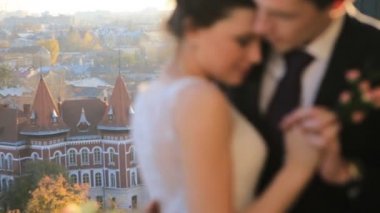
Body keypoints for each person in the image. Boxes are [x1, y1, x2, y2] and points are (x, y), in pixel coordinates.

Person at [132, 0, 339, 212]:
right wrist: (298, 168)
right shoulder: (201, 99)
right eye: (242, 41)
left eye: (259, 42)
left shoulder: (151, 92)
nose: (256, 56)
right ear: (192, 30)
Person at [226, 0, 380, 212]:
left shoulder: (374, 53)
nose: (261, 27)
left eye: (283, 16)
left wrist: (345, 173)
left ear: (336, 5)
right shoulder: (233, 35)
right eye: (258, 7)